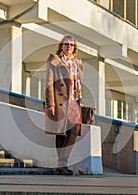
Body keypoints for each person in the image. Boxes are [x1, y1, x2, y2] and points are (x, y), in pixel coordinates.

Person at [45, 34, 83, 175]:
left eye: (71, 45)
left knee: (74, 130)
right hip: (60, 100)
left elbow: (78, 83)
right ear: (61, 46)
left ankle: (62, 163)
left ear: (75, 48)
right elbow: (49, 84)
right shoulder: (55, 61)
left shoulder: (77, 63)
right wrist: (51, 103)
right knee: (60, 132)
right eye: (66, 44)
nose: (68, 47)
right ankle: (62, 164)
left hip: (74, 100)